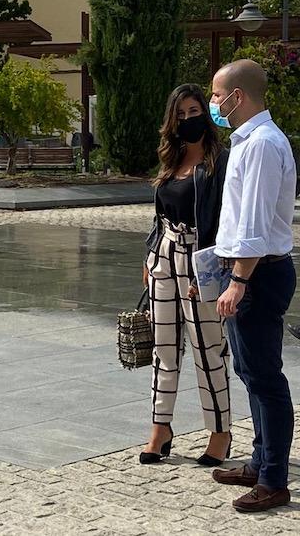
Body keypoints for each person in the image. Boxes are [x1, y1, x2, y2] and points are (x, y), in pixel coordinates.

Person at [209, 59, 296, 513]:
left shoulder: (262, 144)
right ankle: (260, 460)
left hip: (258, 274)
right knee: (250, 372)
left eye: (217, 94)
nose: (214, 103)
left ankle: (274, 479)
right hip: (245, 271)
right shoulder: (246, 142)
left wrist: (239, 280)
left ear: (237, 97)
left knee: (265, 378)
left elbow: (255, 225)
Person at [140, 84, 231, 467]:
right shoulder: (170, 160)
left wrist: (210, 271)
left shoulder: (221, 162)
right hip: (164, 257)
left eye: (195, 112)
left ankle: (220, 432)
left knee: (208, 348)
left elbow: (225, 219)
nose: (188, 120)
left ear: (206, 116)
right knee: (163, 348)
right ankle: (160, 428)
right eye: (181, 115)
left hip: (201, 261)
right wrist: (148, 258)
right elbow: (159, 216)